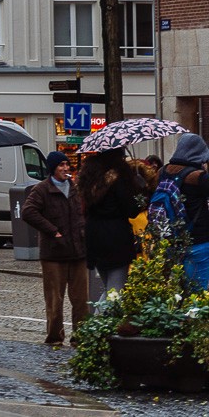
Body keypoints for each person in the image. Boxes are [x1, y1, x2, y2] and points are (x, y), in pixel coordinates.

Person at [20, 150, 88, 347]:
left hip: (78, 252)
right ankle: (55, 338)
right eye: (61, 165)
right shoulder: (42, 189)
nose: (65, 168)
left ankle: (81, 337)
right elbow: (28, 212)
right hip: (54, 254)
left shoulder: (76, 188)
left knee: (81, 300)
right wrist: (52, 231)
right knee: (54, 301)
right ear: (52, 169)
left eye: (67, 165)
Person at [79, 147, 145, 295]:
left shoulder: (90, 174)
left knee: (109, 288)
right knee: (115, 294)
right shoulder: (121, 174)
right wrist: (139, 189)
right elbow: (131, 209)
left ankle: (97, 318)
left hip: (94, 235)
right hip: (115, 237)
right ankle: (95, 319)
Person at [160, 134, 209, 287]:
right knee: (199, 293)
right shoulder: (198, 177)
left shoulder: (163, 172)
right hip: (199, 240)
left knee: (177, 291)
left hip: (172, 240)